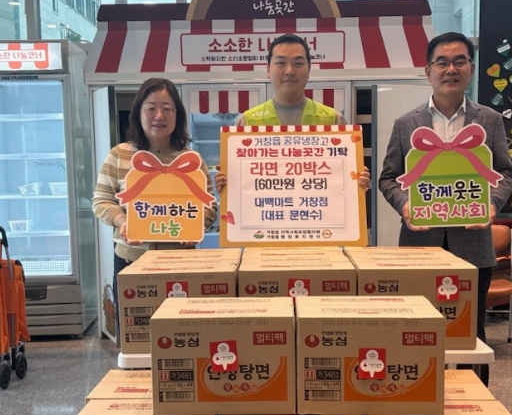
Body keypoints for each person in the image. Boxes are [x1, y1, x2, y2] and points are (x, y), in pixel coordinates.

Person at [378, 31, 512, 385]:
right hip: (419, 247)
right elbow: (388, 178)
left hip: (473, 246)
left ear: (471, 68)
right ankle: (423, 392)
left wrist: (491, 204)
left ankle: (475, 399)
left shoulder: (490, 120)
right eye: (442, 62)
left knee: (472, 333)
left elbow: (505, 173)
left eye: (459, 61)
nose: (450, 69)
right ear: (428, 71)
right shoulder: (406, 124)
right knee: (418, 328)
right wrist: (405, 205)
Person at [92, 77, 217, 339]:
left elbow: (209, 206)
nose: (159, 115)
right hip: (131, 260)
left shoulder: (191, 159)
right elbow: (101, 200)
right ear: (138, 113)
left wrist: (195, 226)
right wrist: (122, 220)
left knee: (182, 332)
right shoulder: (119, 155)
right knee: (135, 334)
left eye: (167, 109)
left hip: (180, 261)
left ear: (177, 115)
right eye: (151, 108)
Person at [215, 33, 370, 192]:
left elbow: (343, 184)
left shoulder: (333, 119)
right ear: (268, 70)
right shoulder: (246, 122)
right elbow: (241, 187)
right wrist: (227, 184)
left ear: (309, 70)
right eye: (281, 63)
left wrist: (357, 185)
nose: (289, 71)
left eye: (298, 63)